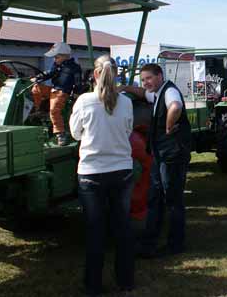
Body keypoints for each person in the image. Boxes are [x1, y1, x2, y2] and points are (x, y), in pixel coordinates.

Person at [69, 55, 134, 296]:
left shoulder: (84, 101)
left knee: (95, 231)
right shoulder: (126, 102)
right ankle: (125, 281)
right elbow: (128, 130)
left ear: (95, 74)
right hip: (121, 170)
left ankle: (93, 286)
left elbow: (75, 133)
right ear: (115, 74)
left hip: (91, 173)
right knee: (122, 227)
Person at [120, 63, 191, 258]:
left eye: (149, 78)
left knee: (173, 199)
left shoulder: (169, 92)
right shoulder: (158, 93)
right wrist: (125, 88)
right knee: (155, 197)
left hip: (172, 155)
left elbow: (175, 107)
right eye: (143, 80)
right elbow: (143, 94)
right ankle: (149, 242)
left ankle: (176, 244)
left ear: (160, 75)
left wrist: (168, 126)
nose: (145, 83)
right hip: (161, 154)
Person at [32, 42, 82, 146]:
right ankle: (38, 109)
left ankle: (60, 133)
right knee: (36, 88)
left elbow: (78, 82)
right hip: (53, 90)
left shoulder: (74, 67)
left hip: (63, 92)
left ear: (65, 56)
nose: (54, 59)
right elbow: (50, 73)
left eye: (56, 57)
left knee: (54, 110)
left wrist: (76, 93)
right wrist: (38, 78)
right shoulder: (57, 65)